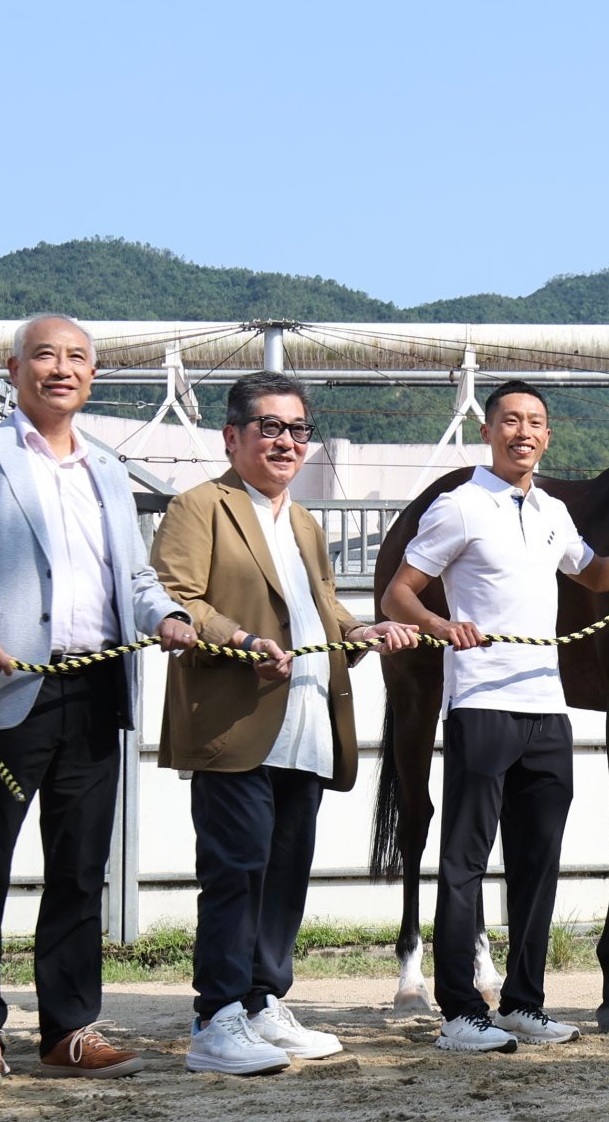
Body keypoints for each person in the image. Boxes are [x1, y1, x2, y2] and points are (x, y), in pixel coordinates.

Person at [0, 314, 198, 1086]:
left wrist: (167, 616)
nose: (60, 369)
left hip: (97, 689)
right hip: (3, 688)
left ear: (91, 377)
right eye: (45, 355)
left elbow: (132, 580)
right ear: (14, 368)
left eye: (75, 359)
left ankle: (69, 1030)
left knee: (80, 867)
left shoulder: (106, 468)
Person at [384, 381, 609, 1053]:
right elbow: (397, 592)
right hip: (481, 703)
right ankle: (461, 1012)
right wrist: (442, 625)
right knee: (465, 860)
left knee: (538, 861)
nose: (522, 432)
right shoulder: (459, 506)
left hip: (545, 709)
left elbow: (592, 573)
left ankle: (524, 1000)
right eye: (510, 421)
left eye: (535, 422)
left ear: (547, 436)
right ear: (489, 430)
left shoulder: (552, 511)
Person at [151, 372, 423, 1074]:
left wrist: (363, 631)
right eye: (270, 427)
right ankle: (216, 1019)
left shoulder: (303, 522)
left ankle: (264, 1000)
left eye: (298, 429)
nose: (286, 442)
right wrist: (240, 641)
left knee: (284, 874)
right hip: (235, 720)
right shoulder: (199, 506)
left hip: (308, 719)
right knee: (235, 870)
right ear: (233, 436)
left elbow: (322, 611)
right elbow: (177, 597)